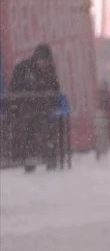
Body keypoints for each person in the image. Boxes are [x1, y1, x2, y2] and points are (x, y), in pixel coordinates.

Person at [8, 44, 60, 172]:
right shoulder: (23, 68)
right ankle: (29, 161)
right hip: (26, 108)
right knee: (28, 134)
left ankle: (50, 159)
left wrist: (52, 102)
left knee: (48, 133)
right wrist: (16, 106)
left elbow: (55, 88)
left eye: (47, 61)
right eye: (43, 60)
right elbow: (14, 87)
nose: (45, 64)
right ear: (37, 58)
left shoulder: (49, 70)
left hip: (43, 108)